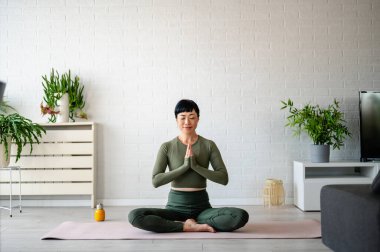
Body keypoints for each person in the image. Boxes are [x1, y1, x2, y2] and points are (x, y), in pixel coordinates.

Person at [128, 99, 249, 233]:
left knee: (240, 216)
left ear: (198, 119)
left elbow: (223, 178)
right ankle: (186, 226)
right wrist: (184, 167)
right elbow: (156, 181)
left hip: (202, 209)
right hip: (174, 210)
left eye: (192, 117)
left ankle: (187, 224)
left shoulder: (209, 145)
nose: (187, 122)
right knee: (135, 216)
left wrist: (195, 166)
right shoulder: (167, 147)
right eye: (183, 118)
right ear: (176, 119)